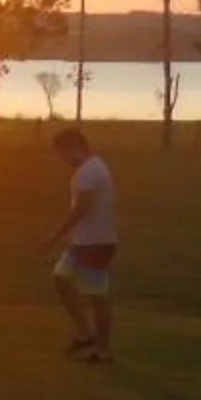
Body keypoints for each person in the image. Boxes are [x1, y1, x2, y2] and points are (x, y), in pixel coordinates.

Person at [41, 126, 116, 362]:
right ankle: (85, 333)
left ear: (73, 148)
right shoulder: (91, 168)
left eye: (62, 154)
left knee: (97, 297)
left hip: (95, 244)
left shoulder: (89, 172)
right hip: (82, 242)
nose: (62, 160)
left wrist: (56, 234)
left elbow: (80, 209)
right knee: (60, 279)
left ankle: (102, 352)